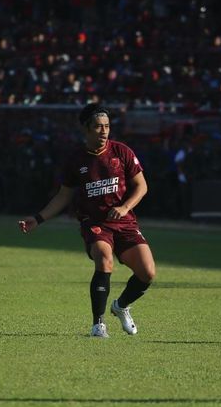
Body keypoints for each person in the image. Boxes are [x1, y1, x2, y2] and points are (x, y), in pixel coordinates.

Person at [19, 103, 156, 338]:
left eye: (107, 126)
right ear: (86, 129)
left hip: (124, 222)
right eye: (98, 127)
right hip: (94, 223)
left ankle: (121, 306)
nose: (103, 131)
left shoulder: (122, 151)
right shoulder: (75, 160)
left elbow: (141, 186)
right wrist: (38, 219)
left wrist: (124, 207)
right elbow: (63, 196)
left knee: (148, 273)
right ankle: (98, 324)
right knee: (104, 258)